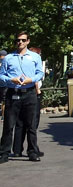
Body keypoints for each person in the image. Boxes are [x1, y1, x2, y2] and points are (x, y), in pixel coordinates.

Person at [0, 32, 45, 163]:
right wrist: (10, 79)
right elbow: (1, 76)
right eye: (18, 40)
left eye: (23, 40)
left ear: (28, 41)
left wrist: (31, 79)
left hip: (29, 92)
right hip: (13, 92)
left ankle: (32, 151)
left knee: (31, 125)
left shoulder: (35, 57)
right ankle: (4, 152)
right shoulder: (8, 58)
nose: (20, 42)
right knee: (9, 124)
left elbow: (39, 72)